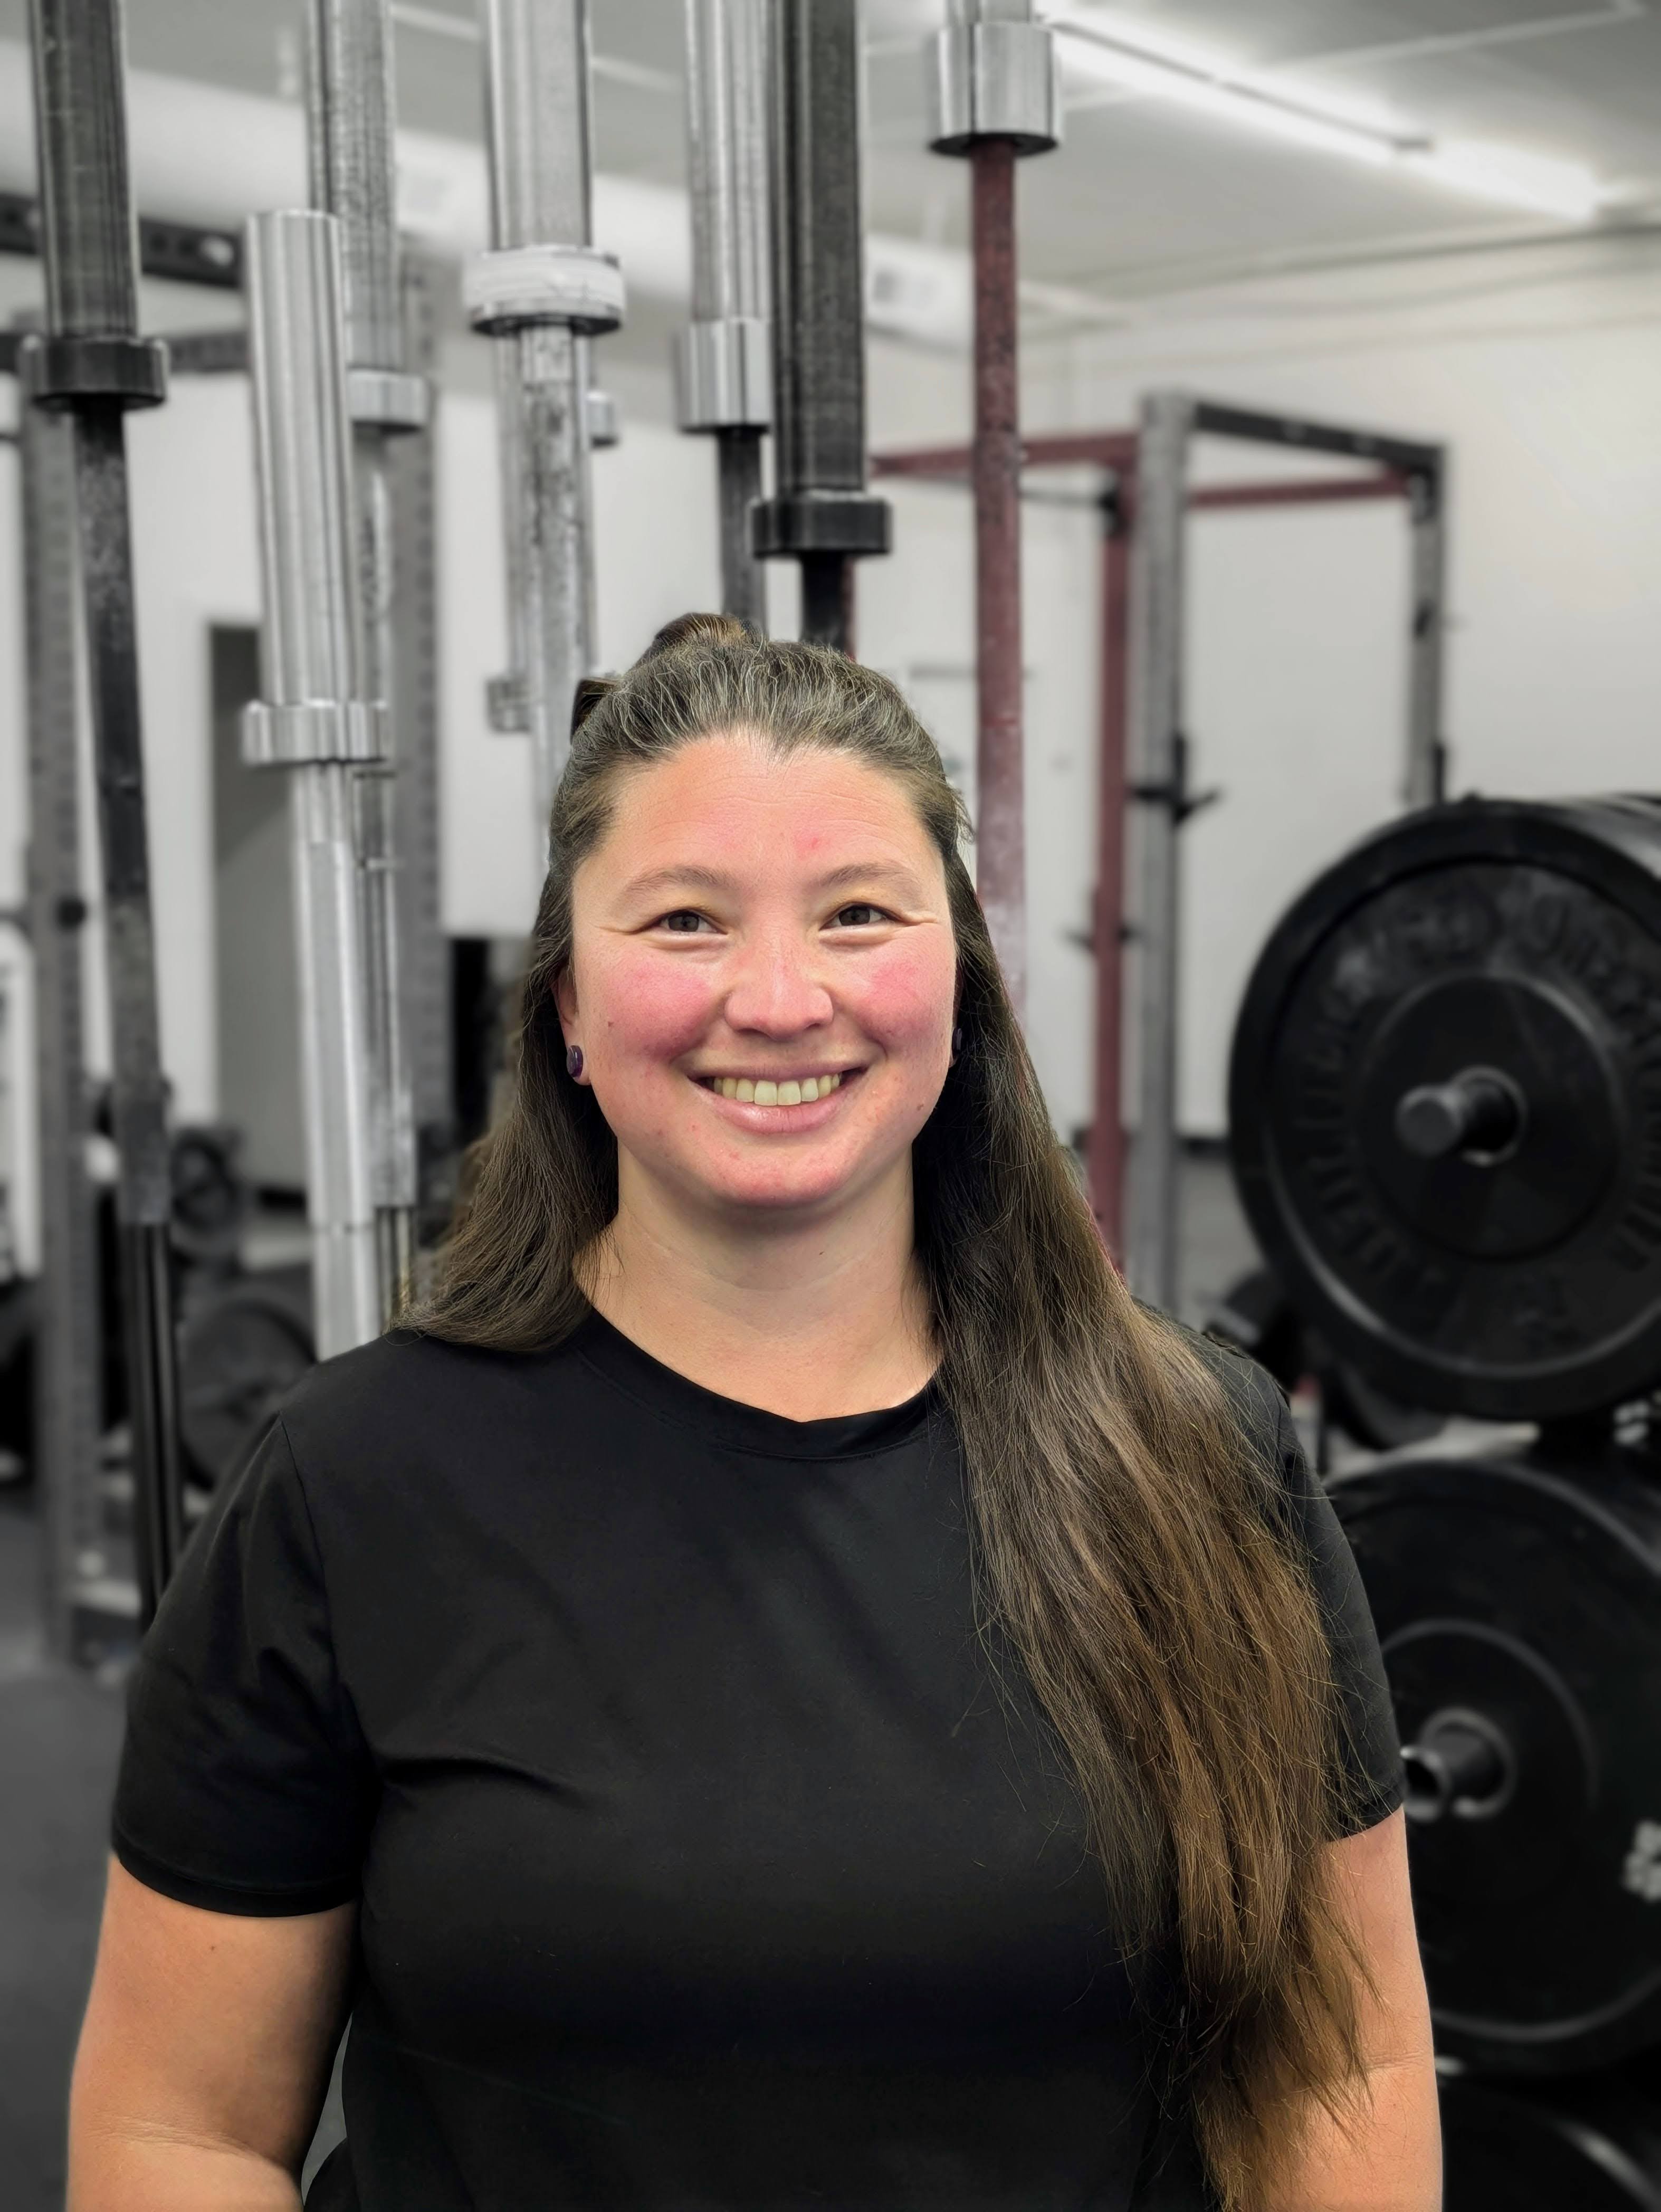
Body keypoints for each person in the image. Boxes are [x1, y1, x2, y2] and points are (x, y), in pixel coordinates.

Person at [69, 615, 1438, 2212]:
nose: (780, 999)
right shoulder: (351, 1482)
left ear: (958, 980)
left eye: (859, 913)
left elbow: (1338, 2063)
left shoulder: (1196, 1455)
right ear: (568, 1008)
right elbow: (180, 2130)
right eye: (685, 922)